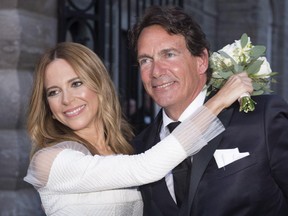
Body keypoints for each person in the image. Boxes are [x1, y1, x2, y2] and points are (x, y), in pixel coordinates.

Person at [23, 42, 252, 216]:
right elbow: (148, 167)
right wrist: (219, 101)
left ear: (99, 86)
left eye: (76, 84)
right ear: (48, 106)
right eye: (53, 92)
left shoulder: (129, 148)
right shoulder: (49, 161)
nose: (66, 99)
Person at [129, 5, 288, 216]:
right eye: (145, 60)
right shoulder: (137, 150)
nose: (156, 72)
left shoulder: (263, 120)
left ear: (201, 61)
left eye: (169, 54)